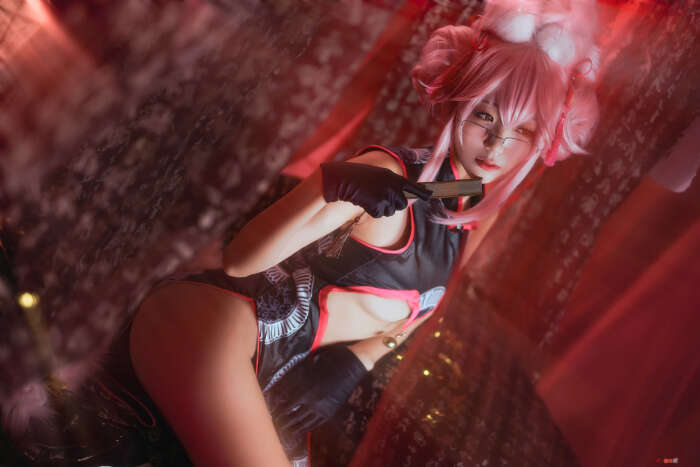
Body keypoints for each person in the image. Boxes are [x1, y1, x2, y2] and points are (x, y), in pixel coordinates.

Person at [128, 1, 601, 465]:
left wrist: (358, 361)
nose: (498, 144)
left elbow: (423, 311)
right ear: (459, 100)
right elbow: (239, 262)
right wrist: (327, 185)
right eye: (485, 115)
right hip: (212, 329)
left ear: (544, 140)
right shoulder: (386, 174)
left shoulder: (468, 203)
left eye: (524, 130)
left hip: (274, 374)